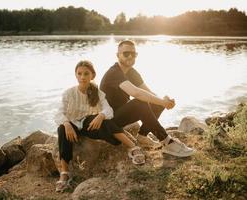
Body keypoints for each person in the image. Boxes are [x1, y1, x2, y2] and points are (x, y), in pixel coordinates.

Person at [54, 60, 145, 192]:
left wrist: (101, 115)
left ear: (93, 75)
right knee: (61, 129)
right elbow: (58, 113)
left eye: (86, 74)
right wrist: (67, 123)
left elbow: (109, 111)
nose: (82, 77)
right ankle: (64, 174)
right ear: (75, 75)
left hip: (88, 126)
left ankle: (133, 147)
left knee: (104, 121)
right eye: (79, 74)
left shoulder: (98, 92)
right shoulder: (69, 93)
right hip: (72, 125)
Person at [100, 39, 195, 158]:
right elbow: (136, 93)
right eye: (126, 53)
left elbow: (147, 92)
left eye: (133, 54)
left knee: (156, 102)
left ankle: (142, 137)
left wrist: (164, 101)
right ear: (117, 55)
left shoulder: (132, 72)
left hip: (122, 113)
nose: (130, 56)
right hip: (109, 119)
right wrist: (162, 102)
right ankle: (167, 141)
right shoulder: (114, 72)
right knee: (140, 103)